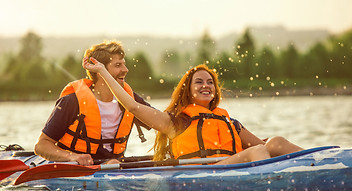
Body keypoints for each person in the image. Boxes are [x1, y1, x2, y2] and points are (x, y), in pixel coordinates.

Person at [83, 58, 303, 165]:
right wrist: (103, 71)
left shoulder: (230, 123)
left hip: (234, 168)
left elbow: (266, 148)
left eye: (210, 82)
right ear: (187, 90)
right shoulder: (175, 123)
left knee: (275, 142)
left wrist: (273, 147)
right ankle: (275, 188)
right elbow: (132, 107)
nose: (206, 85)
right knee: (257, 153)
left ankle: (323, 162)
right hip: (208, 173)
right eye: (199, 82)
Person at [34, 40, 151, 166]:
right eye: (118, 65)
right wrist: (73, 157)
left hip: (114, 167)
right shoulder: (72, 102)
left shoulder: (130, 100)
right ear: (99, 71)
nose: (125, 69)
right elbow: (41, 145)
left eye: (124, 64)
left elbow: (162, 124)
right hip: (75, 170)